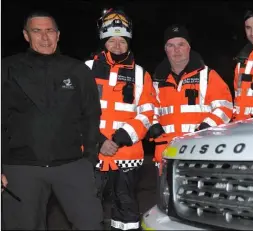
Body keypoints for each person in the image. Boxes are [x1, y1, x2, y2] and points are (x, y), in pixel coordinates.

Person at [1, 11, 103, 230]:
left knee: (91, 224)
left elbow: (92, 115)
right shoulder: (7, 69)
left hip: (72, 165)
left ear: (58, 35)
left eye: (49, 31)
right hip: (20, 168)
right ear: (26, 36)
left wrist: (89, 160)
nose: (44, 37)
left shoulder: (77, 70)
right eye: (37, 31)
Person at [85, 8, 156, 230]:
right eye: (112, 40)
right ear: (103, 41)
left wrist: (119, 138)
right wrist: (99, 141)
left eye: (122, 41)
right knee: (86, 206)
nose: (117, 45)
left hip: (127, 153)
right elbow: (75, 111)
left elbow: (147, 113)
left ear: (129, 42)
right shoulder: (86, 69)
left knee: (126, 207)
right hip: (91, 152)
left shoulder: (140, 74)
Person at [147, 24, 233, 170]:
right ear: (165, 49)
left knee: (201, 191)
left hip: (200, 149)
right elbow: (147, 108)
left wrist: (205, 129)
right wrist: (154, 127)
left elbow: (224, 107)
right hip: (168, 150)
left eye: (181, 44)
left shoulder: (207, 75)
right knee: (170, 192)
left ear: (189, 47)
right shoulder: (156, 80)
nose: (176, 50)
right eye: (171, 45)